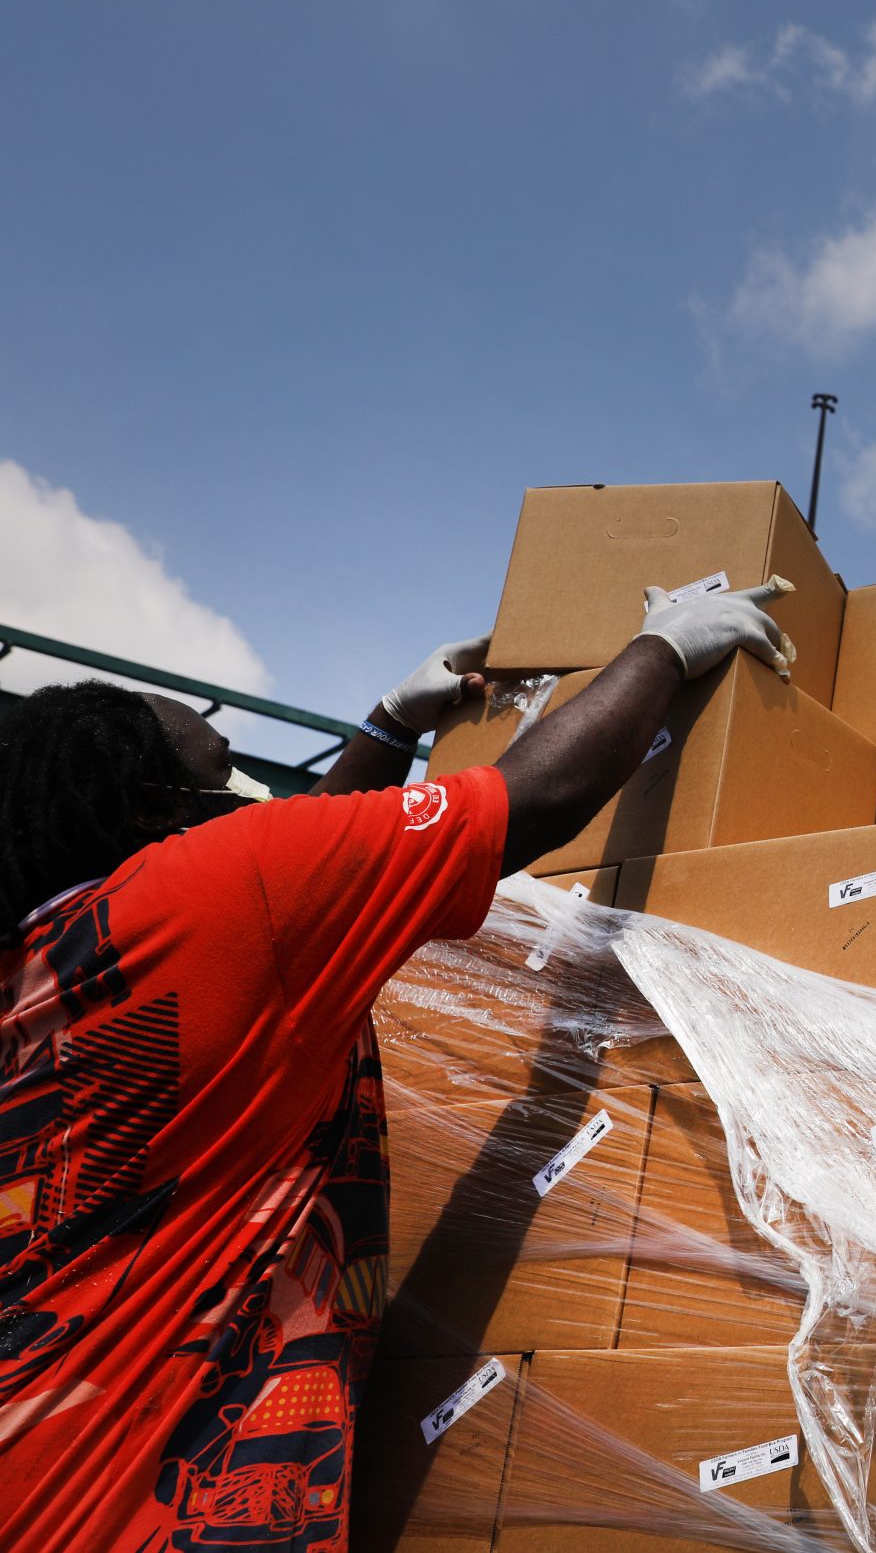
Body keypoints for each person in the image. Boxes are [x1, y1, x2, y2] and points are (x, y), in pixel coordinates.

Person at [0, 578, 798, 1553]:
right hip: (161, 1519)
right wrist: (662, 649)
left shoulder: (50, 964)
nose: (254, 807)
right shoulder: (216, 891)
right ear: (155, 812)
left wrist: (392, 718)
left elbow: (282, 888)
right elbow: (531, 800)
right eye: (227, 787)